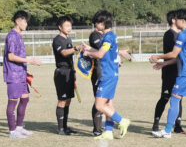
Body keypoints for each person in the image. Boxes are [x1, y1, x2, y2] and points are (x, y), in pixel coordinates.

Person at [86, 10, 133, 139]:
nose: (95, 25)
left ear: (102, 23)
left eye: (96, 22)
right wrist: (88, 48)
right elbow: (105, 52)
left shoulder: (107, 37)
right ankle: (108, 131)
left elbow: (100, 54)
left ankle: (122, 121)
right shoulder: (111, 35)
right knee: (108, 104)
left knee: (99, 105)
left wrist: (88, 53)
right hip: (111, 73)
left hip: (107, 75)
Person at [4, 10, 41, 138]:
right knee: (13, 101)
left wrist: (25, 69)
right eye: (25, 21)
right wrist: (30, 60)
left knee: (25, 99)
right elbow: (11, 56)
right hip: (13, 75)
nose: (26, 24)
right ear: (18, 21)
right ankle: (12, 131)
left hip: (21, 74)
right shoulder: (12, 36)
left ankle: (19, 127)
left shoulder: (19, 36)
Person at [151, 11, 186, 136]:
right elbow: (173, 54)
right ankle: (155, 125)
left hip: (179, 71)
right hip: (169, 71)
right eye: (178, 18)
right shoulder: (169, 34)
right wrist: (163, 62)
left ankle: (178, 126)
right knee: (165, 97)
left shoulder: (180, 35)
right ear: (173, 20)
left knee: (178, 98)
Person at [52, 16, 83, 135]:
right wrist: (76, 48)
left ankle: (65, 126)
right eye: (67, 26)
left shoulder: (68, 39)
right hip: (61, 73)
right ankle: (60, 129)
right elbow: (64, 53)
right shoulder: (57, 40)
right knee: (62, 100)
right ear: (60, 27)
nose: (69, 28)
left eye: (70, 26)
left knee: (68, 100)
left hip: (70, 72)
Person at [87, 22, 105, 136]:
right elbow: (101, 50)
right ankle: (96, 129)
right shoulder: (94, 35)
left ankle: (99, 125)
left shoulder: (104, 35)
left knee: (104, 99)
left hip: (105, 69)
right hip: (98, 71)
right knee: (99, 99)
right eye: (101, 22)